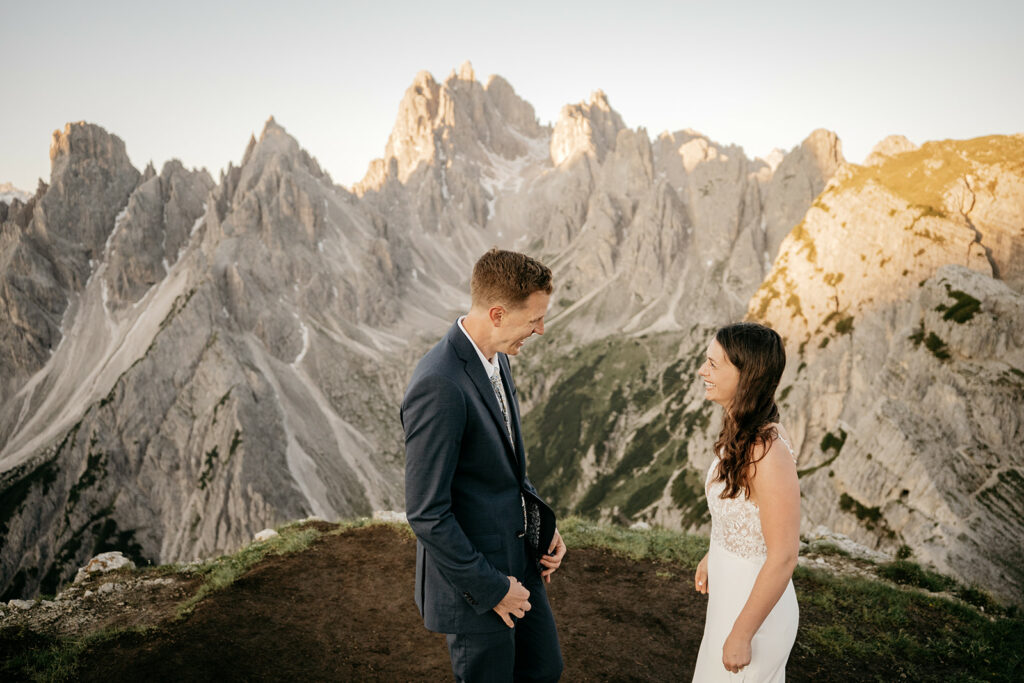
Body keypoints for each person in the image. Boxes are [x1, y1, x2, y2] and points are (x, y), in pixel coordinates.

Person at [403, 248, 566, 683]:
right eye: (533, 320)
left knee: (544, 669)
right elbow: (426, 513)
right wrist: (494, 589)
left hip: (518, 560)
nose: (541, 330)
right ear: (497, 313)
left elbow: (505, 467)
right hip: (477, 583)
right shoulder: (439, 384)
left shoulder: (496, 356)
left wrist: (541, 526)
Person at [691, 322, 800, 682]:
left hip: (755, 614)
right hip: (730, 595)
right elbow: (743, 512)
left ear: (746, 375)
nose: (701, 371)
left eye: (713, 364)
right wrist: (717, 550)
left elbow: (784, 555)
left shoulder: (767, 452)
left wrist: (741, 634)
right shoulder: (740, 428)